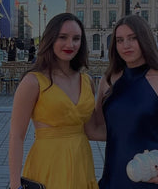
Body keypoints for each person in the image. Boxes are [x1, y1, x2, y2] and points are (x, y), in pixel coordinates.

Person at [87, 15, 158, 189]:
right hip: (115, 176)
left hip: (153, 175)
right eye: (120, 40)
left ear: (145, 39)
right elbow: (96, 130)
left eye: (133, 38)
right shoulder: (108, 80)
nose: (125, 45)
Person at [9, 13, 98, 189]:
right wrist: (14, 185)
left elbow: (92, 130)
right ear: (50, 39)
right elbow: (17, 136)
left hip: (82, 163)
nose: (70, 44)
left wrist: (136, 131)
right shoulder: (33, 81)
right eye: (62, 37)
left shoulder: (87, 81)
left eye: (76, 38)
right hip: (48, 163)